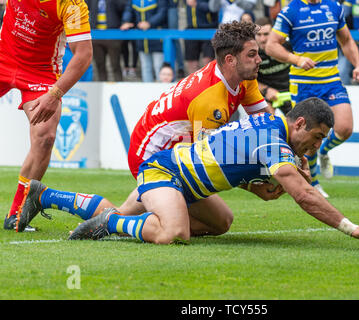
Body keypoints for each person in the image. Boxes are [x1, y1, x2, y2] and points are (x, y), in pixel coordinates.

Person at [16, 21, 276, 232]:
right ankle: (49, 198)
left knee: (221, 223)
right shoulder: (209, 98)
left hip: (169, 146)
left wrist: (284, 156)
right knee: (155, 224)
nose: (259, 59)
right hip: (151, 156)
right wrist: (254, 184)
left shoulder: (243, 77)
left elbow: (268, 123)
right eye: (252, 54)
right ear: (230, 59)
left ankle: (48, 197)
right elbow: (208, 163)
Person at [66, 97, 359, 244]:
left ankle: (47, 195)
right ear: (299, 124)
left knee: (222, 223)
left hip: (187, 181)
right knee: (173, 234)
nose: (315, 146)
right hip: (165, 173)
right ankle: (111, 224)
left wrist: (267, 187)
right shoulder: (273, 142)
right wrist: (349, 227)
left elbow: (241, 172)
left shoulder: (270, 128)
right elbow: (305, 196)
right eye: (316, 138)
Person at [1, 0, 93, 231]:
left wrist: (55, 94)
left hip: (40, 70)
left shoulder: (71, 5)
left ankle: (18, 213)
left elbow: (83, 55)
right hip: (3, 55)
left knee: (45, 137)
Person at [265, 0, 359, 198]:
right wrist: (296, 59)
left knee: (345, 128)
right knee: (308, 136)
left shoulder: (334, 7)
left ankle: (323, 151)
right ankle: (315, 182)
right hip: (303, 83)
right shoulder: (291, 11)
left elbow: (346, 40)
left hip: (331, 80)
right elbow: (271, 46)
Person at [121, 0, 168, 82]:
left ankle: (163, 94)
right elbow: (128, 10)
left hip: (157, 39)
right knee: (146, 68)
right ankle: (149, 94)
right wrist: (126, 21)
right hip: (142, 41)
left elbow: (162, 12)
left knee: (159, 67)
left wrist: (149, 23)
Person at [254, 16, 291, 116]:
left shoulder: (287, 45)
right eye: (258, 35)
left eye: (266, 34)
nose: (262, 39)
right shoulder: (252, 54)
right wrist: (266, 90)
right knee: (268, 122)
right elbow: (246, 81)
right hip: (267, 95)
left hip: (290, 92)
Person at [85, 0, 128, 82]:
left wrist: (125, 21)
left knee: (115, 64)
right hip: (96, 36)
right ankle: (102, 87)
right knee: (99, 65)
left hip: (112, 36)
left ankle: (119, 88)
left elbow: (125, 8)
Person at [184, 0, 219, 75]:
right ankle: (193, 84)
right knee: (191, 61)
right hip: (191, 29)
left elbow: (214, 7)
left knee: (207, 60)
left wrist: (197, 4)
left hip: (208, 29)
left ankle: (207, 82)